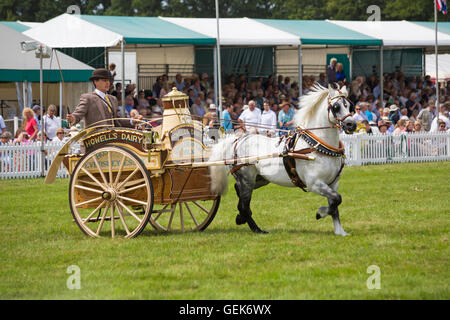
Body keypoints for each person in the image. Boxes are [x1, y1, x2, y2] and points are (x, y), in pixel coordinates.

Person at [66, 68, 142, 128]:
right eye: (104, 80)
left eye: (109, 81)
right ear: (95, 82)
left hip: (112, 140)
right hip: (95, 141)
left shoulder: (113, 99)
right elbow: (78, 114)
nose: (108, 83)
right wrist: (72, 118)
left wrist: (132, 121)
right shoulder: (88, 98)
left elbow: (117, 120)